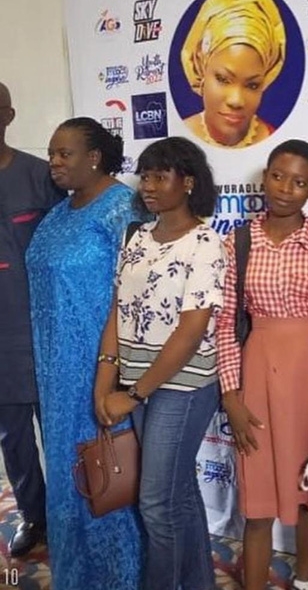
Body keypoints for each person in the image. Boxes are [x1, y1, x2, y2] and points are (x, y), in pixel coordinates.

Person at [216, 139, 308, 590]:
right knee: (258, 502)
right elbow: (225, 324)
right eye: (277, 176)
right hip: (258, 377)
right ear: (265, 178)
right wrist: (230, 395)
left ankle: (302, 579)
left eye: (298, 182)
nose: (284, 189)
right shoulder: (238, 241)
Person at [94, 137, 226, 590]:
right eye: (145, 176)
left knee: (156, 504)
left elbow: (190, 332)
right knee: (178, 494)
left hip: (182, 388)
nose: (148, 185)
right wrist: (105, 380)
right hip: (138, 383)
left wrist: (132, 395)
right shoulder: (137, 236)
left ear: (187, 182)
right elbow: (119, 310)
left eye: (159, 176)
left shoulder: (206, 243)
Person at [25, 117, 142, 590]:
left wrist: (114, 374)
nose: (54, 162)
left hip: (100, 366)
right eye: (51, 153)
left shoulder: (123, 209)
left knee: (107, 470)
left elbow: (135, 294)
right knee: (69, 473)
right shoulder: (58, 213)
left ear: (94, 157)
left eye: (64, 153)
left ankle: (122, 577)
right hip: (54, 371)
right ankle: (77, 577)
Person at [0, 82, 64, 557]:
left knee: (58, 429)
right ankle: (33, 515)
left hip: (43, 329)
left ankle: (67, 515)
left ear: (9, 115)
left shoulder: (41, 176)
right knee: (13, 435)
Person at [181, 0, 286, 148]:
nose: (236, 101)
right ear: (201, 67)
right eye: (223, 79)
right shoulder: (176, 143)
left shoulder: (278, 146)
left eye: (252, 85)